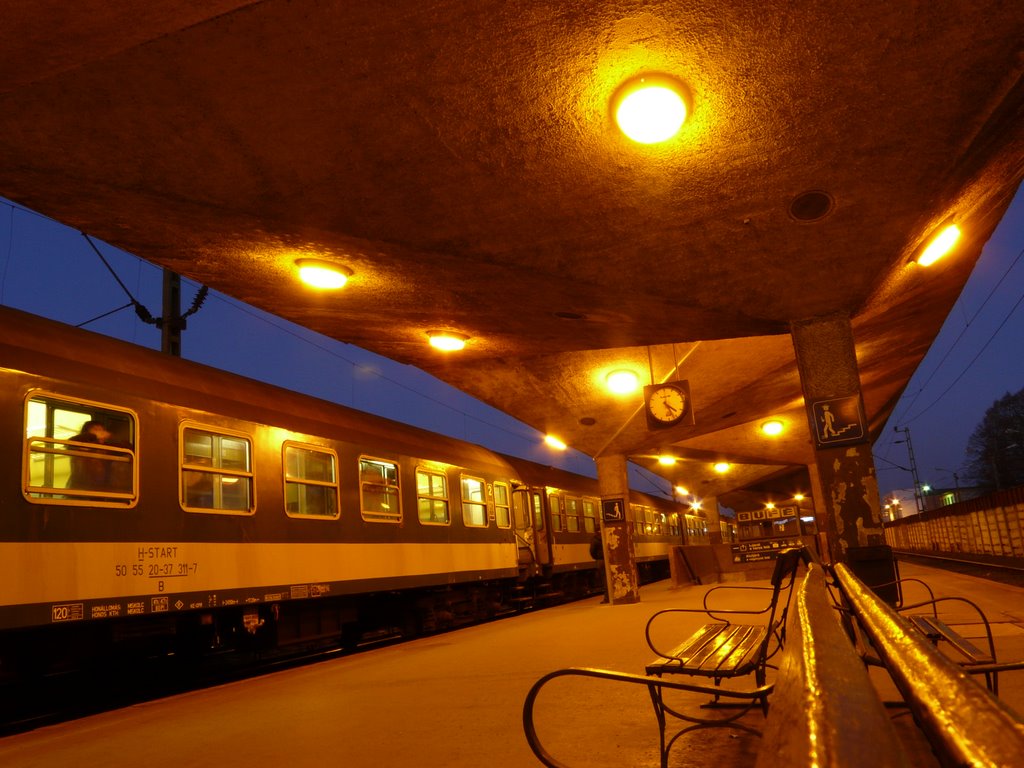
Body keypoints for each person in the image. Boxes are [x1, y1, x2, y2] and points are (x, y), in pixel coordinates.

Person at [67, 420, 112, 491]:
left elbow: (125, 446)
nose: (101, 432)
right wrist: (95, 436)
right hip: (79, 489)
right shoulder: (81, 445)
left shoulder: (105, 448)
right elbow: (69, 443)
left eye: (102, 430)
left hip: (101, 489)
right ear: (86, 432)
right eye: (96, 430)